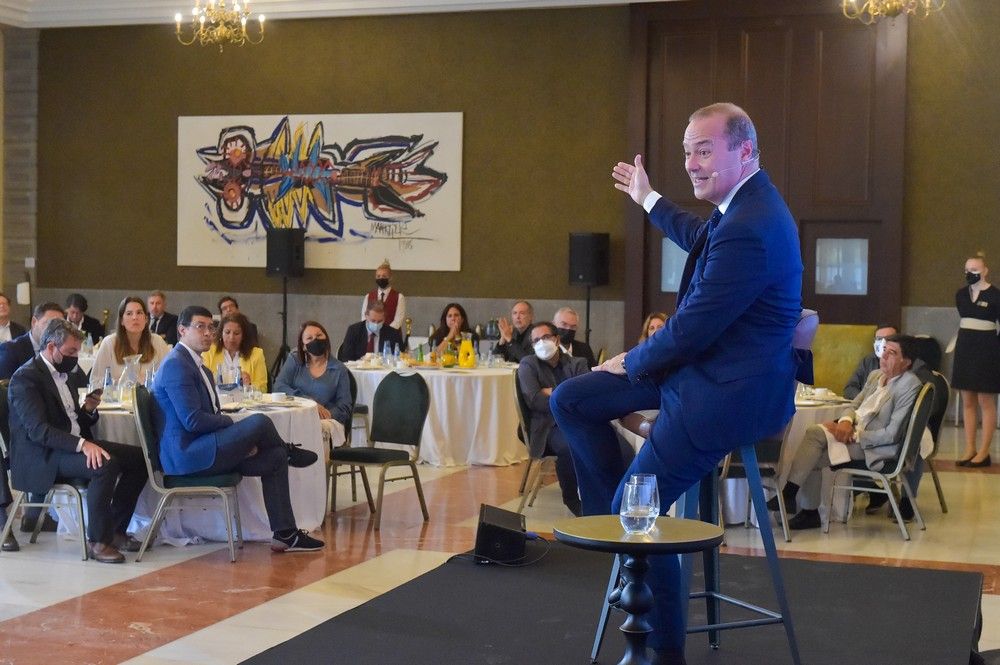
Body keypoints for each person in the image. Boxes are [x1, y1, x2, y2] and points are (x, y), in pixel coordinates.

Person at [551, 103, 801, 663]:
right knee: (573, 399)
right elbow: (694, 232)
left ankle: (662, 652)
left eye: (704, 150)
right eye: (687, 151)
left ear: (746, 150)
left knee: (637, 512)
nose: (691, 162)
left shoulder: (751, 227)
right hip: (700, 372)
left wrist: (629, 361)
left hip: (724, 395)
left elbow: (688, 331)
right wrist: (646, 197)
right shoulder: (738, 209)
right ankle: (617, 528)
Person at [151, 306, 324, 553]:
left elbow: (207, 417)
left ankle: (285, 533)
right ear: (181, 330)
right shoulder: (176, 365)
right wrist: (232, 426)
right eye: (200, 327)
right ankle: (287, 449)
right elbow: (193, 421)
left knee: (274, 458)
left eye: (211, 327)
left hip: (205, 448)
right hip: (188, 456)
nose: (208, 333)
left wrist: (238, 440)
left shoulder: (200, 367)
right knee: (259, 421)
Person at [7, 319, 148, 562]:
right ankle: (98, 541)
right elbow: (39, 431)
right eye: (71, 351)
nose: (76, 357)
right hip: (42, 456)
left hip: (67, 445)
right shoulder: (26, 378)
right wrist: (83, 445)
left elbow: (71, 420)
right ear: (51, 347)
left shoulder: (66, 374)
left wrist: (89, 410)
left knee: (140, 458)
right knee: (104, 464)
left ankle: (114, 529)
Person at [772, 334, 922, 530]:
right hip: (856, 436)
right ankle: (796, 502)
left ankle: (798, 503)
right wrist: (844, 421)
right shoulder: (876, 376)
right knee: (814, 441)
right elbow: (854, 405)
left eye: (892, 353)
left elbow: (892, 434)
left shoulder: (909, 384)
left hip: (878, 448)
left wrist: (854, 435)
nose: (884, 356)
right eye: (884, 350)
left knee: (814, 441)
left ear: (906, 362)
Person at [518, 322, 634, 516]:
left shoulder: (577, 363)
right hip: (549, 427)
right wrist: (565, 398)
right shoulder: (528, 364)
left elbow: (591, 396)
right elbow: (535, 400)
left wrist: (553, 394)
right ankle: (574, 500)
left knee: (624, 449)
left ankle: (620, 501)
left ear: (556, 339)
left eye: (545, 337)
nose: (541, 343)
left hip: (585, 422)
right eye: (535, 340)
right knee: (570, 446)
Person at [0, 302, 66, 538]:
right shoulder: (12, 351)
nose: (56, 328)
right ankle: (16, 517)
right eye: (50, 323)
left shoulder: (62, 353)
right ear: (34, 323)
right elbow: (8, 396)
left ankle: (39, 514)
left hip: (48, 422)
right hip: (16, 425)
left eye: (61, 324)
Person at [951, 252, 1000, 467]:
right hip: (965, 346)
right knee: (967, 400)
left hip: (987, 347)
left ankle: (984, 451)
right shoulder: (961, 294)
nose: (970, 273)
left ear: (985, 271)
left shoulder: (996, 295)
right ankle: (969, 447)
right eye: (967, 270)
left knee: (985, 400)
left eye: (975, 270)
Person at [274, 321, 352, 449]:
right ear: (304, 346)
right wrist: (309, 403)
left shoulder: (339, 369)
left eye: (319, 335)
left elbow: (345, 406)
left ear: (326, 339)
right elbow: (279, 386)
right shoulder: (294, 360)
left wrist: (326, 414)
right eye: (309, 338)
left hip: (325, 421)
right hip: (294, 415)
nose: (315, 340)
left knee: (315, 429)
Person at [91, 297, 170, 387]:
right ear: (122, 321)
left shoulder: (157, 342)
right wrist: (122, 383)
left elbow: (169, 376)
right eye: (129, 313)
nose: (135, 317)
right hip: (117, 399)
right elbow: (95, 381)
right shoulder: (109, 343)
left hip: (150, 399)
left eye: (139, 313)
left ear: (146, 319)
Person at [201, 313, 268, 392]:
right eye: (227, 332)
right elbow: (202, 384)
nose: (231, 337)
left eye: (236, 333)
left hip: (244, 402)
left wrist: (249, 385)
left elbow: (263, 389)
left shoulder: (256, 354)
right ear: (221, 333)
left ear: (243, 335)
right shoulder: (208, 351)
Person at [0, 302, 65, 380]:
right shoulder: (10, 350)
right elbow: (5, 387)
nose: (54, 329)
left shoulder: (61, 349)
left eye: (59, 325)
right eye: (49, 323)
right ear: (34, 322)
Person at [843, 324, 898, 399]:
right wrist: (864, 400)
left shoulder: (907, 366)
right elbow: (850, 388)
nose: (883, 342)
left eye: (889, 339)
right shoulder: (869, 360)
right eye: (879, 339)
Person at [338, 301, 403, 362]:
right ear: (366, 316)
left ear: (384, 318)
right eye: (373, 321)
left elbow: (400, 357)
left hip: (384, 372)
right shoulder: (354, 331)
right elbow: (346, 358)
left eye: (380, 321)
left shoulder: (393, 334)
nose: (376, 324)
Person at [361, 260, 406, 330]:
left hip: (392, 335)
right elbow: (364, 318)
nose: (381, 278)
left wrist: (385, 333)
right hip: (372, 335)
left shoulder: (399, 297)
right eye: (378, 276)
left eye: (384, 276)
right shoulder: (368, 296)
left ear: (390, 278)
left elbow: (398, 321)